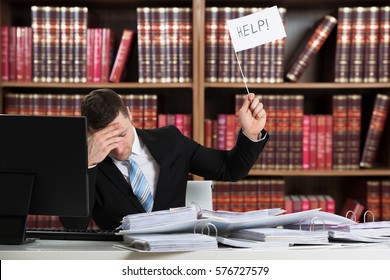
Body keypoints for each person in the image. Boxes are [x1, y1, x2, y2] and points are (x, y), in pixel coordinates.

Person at [60, 88, 268, 230]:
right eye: (106, 140)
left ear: (130, 115)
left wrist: (250, 134)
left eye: (121, 134)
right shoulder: (84, 164)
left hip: (174, 257)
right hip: (122, 262)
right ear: (89, 133)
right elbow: (73, 226)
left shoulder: (171, 141)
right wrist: (88, 165)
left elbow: (230, 169)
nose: (118, 147)